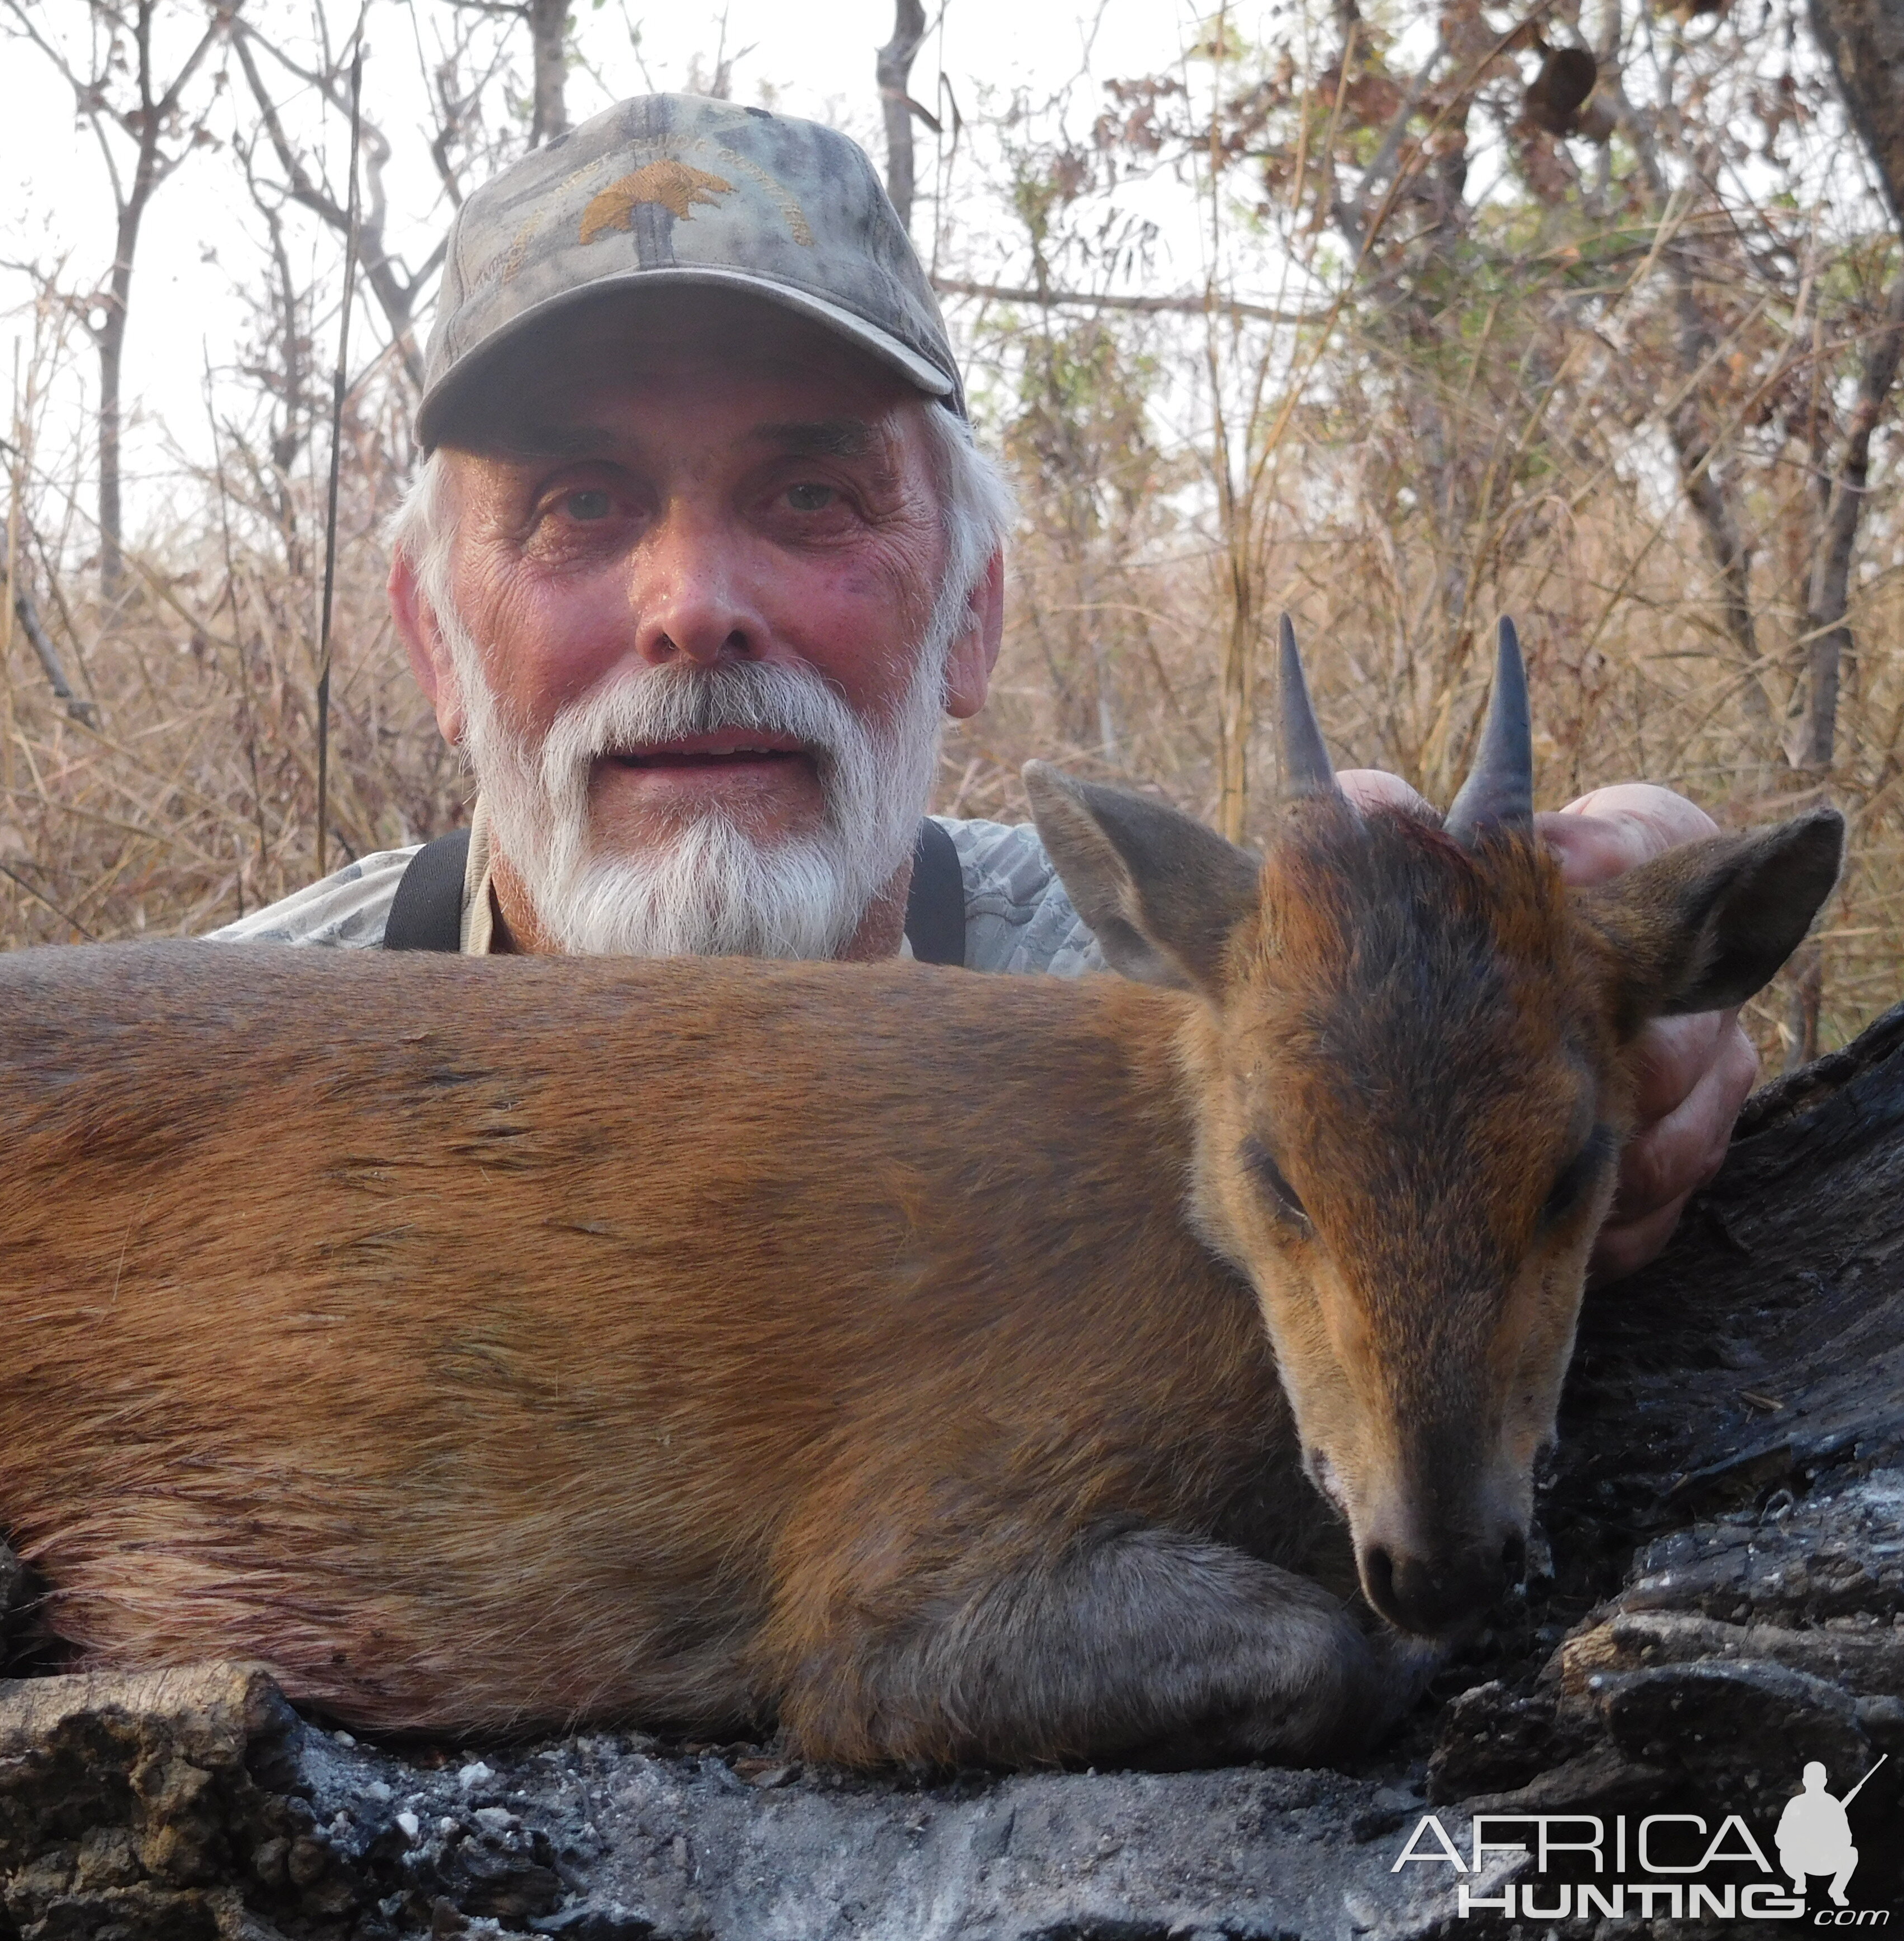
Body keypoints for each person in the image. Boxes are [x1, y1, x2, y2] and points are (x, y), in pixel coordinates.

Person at [211, 92, 1757, 1282]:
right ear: (431, 638)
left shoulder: (1158, 1012)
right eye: (579, 505)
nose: (695, 608)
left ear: (972, 612)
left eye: (813, 495)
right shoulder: (222, 1069)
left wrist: (1618, 981)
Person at [1777, 1760, 1860, 1906]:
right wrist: (1801, 1839)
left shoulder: (1833, 1804)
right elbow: (1781, 1838)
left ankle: (1837, 1890)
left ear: (1825, 1781)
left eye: (1818, 1779)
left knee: (1852, 1854)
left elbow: (1847, 1839)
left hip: (1826, 1860)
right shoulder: (1795, 1805)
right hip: (1802, 1860)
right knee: (1785, 1853)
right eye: (1811, 1780)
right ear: (1804, 1781)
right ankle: (1799, 1880)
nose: (1815, 1783)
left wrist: (1828, 1837)